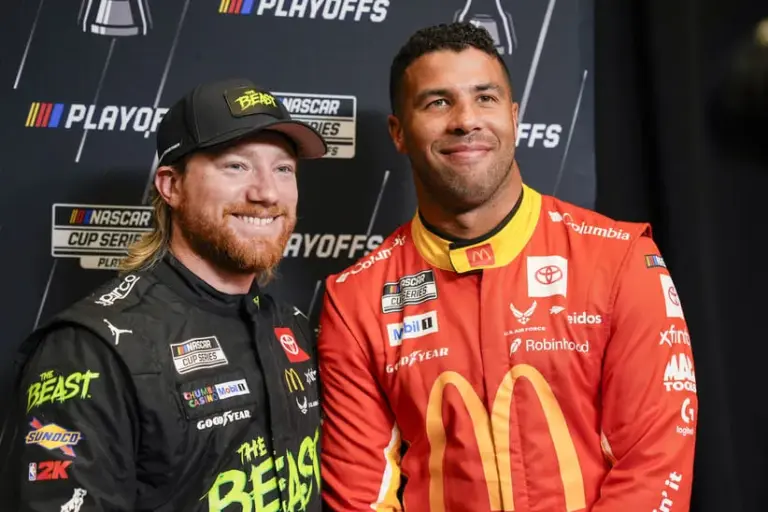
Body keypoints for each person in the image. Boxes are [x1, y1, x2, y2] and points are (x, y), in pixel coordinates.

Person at [317, 22, 698, 511]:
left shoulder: (620, 259)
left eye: (485, 98)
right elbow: (361, 496)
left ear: (514, 117)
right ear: (398, 133)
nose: (465, 120)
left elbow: (653, 464)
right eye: (438, 102)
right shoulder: (356, 300)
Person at [1, 78, 326, 511]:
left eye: (283, 168)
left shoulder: (294, 325)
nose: (266, 192)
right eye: (236, 166)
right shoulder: (89, 349)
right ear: (171, 186)